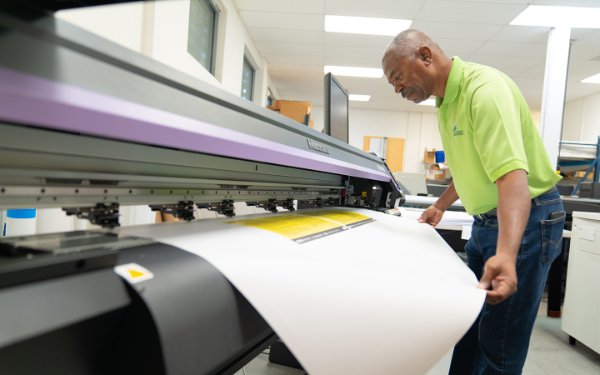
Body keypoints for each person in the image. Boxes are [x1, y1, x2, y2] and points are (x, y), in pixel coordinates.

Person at [382, 29, 565, 374]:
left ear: (425, 55)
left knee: (499, 342)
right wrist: (441, 203)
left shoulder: (484, 92)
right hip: (486, 223)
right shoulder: (444, 100)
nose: (397, 89)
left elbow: (513, 180)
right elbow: (473, 166)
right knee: (469, 328)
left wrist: (507, 256)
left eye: (397, 77)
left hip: (527, 222)